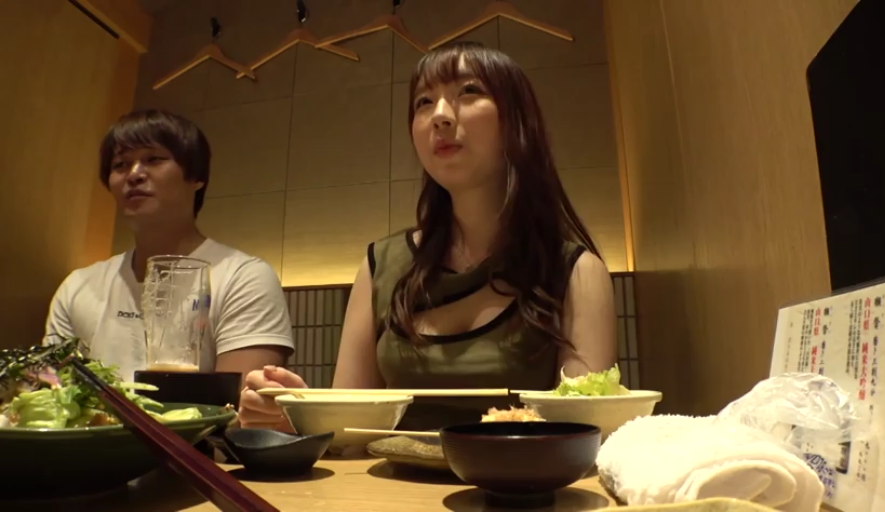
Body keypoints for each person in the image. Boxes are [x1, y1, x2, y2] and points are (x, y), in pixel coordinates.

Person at [239, 42, 616, 431]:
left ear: (517, 121)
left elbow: (581, 437)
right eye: (424, 102)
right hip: (387, 473)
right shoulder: (381, 266)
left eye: (468, 91)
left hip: (520, 472)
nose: (440, 116)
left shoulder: (576, 273)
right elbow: (348, 435)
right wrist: (299, 415)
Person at [44, 109, 294, 383]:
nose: (134, 174)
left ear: (196, 177)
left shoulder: (243, 278)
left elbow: (239, 400)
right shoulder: (78, 287)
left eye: (153, 159)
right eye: (120, 164)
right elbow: (52, 393)